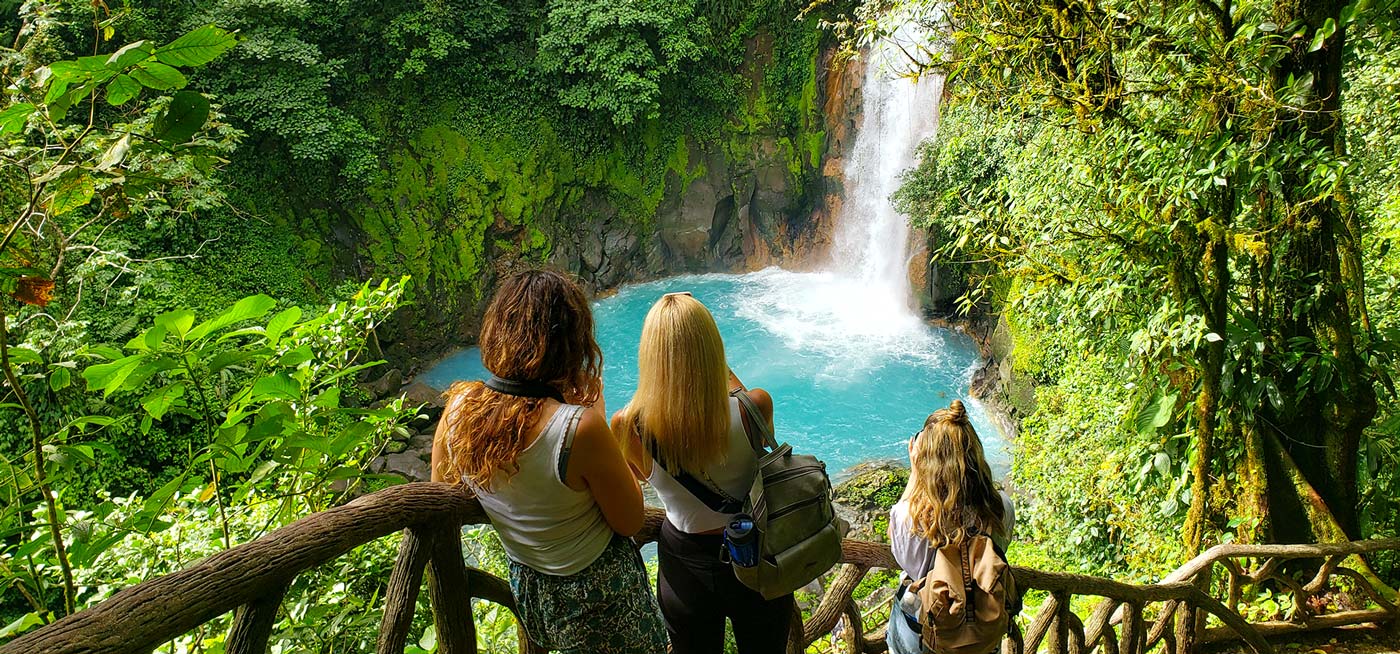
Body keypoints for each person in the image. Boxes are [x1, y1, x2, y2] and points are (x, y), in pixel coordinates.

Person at [431, 269, 667, 654]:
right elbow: (631, 520)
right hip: (600, 601)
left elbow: (444, 492)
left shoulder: (459, 409)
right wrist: (600, 422)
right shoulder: (578, 427)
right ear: (571, 343)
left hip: (532, 588)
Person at [612, 292, 793, 654]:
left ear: (650, 355)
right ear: (714, 346)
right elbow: (743, 405)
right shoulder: (755, 405)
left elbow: (635, 486)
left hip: (685, 565)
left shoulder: (628, 426)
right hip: (757, 552)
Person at [885, 400, 1015, 654]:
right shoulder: (1002, 508)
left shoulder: (908, 516)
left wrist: (914, 475)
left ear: (923, 457)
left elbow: (899, 552)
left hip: (924, 631)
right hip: (983, 631)